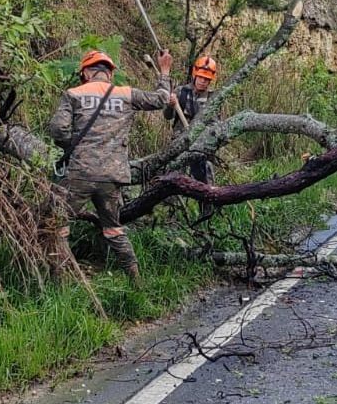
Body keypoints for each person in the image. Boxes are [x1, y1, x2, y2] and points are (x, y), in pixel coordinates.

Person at [48, 47, 173, 280]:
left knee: (57, 224)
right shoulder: (125, 94)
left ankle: (61, 281)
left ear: (85, 73)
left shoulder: (73, 94)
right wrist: (164, 71)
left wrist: (72, 147)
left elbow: (58, 130)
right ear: (110, 74)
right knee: (113, 228)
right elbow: (161, 99)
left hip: (80, 174)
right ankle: (136, 281)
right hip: (112, 176)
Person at [166, 55, 219, 185]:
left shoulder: (213, 98)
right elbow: (168, 116)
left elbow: (215, 126)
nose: (203, 81)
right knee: (172, 179)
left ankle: (207, 204)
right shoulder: (181, 92)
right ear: (195, 74)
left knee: (205, 182)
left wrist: (202, 139)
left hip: (201, 146)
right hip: (179, 144)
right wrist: (169, 104)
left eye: (206, 79)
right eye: (201, 77)